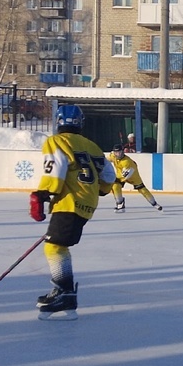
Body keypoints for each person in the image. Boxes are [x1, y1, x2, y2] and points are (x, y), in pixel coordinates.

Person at [30, 104, 116, 320]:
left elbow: (55, 168)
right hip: (88, 203)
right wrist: (102, 190)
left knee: (54, 248)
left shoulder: (56, 141)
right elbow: (108, 177)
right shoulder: (93, 146)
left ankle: (65, 293)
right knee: (58, 246)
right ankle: (64, 292)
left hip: (68, 202)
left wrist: (42, 194)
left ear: (58, 122)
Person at [107, 146, 162, 211]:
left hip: (133, 176)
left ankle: (154, 203)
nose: (117, 154)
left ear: (122, 152)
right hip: (120, 175)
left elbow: (126, 175)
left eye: (119, 152)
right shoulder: (112, 156)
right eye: (116, 152)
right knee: (115, 186)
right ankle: (120, 203)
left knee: (143, 190)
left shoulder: (127, 161)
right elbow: (105, 160)